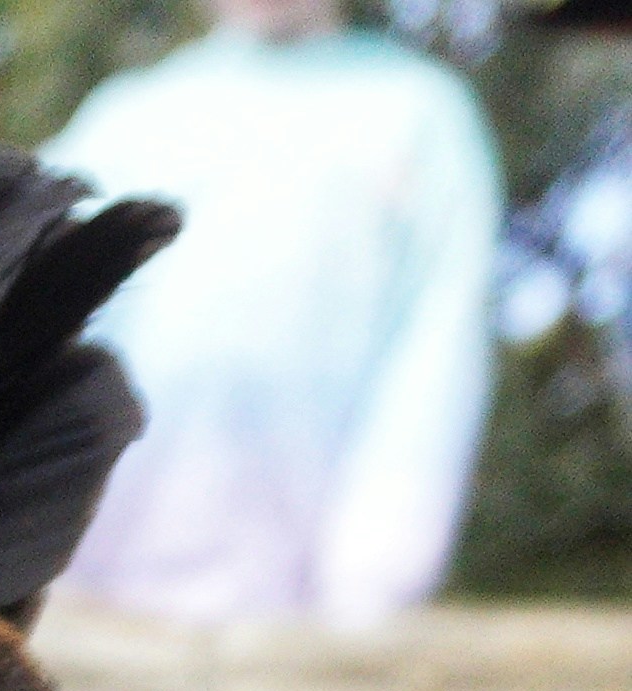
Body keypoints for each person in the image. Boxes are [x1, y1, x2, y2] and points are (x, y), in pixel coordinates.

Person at [44, 0, 503, 625]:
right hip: (97, 599)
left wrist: (373, 579)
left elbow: (436, 351)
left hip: (313, 615)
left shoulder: (419, 113)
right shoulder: (125, 120)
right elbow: (45, 338)